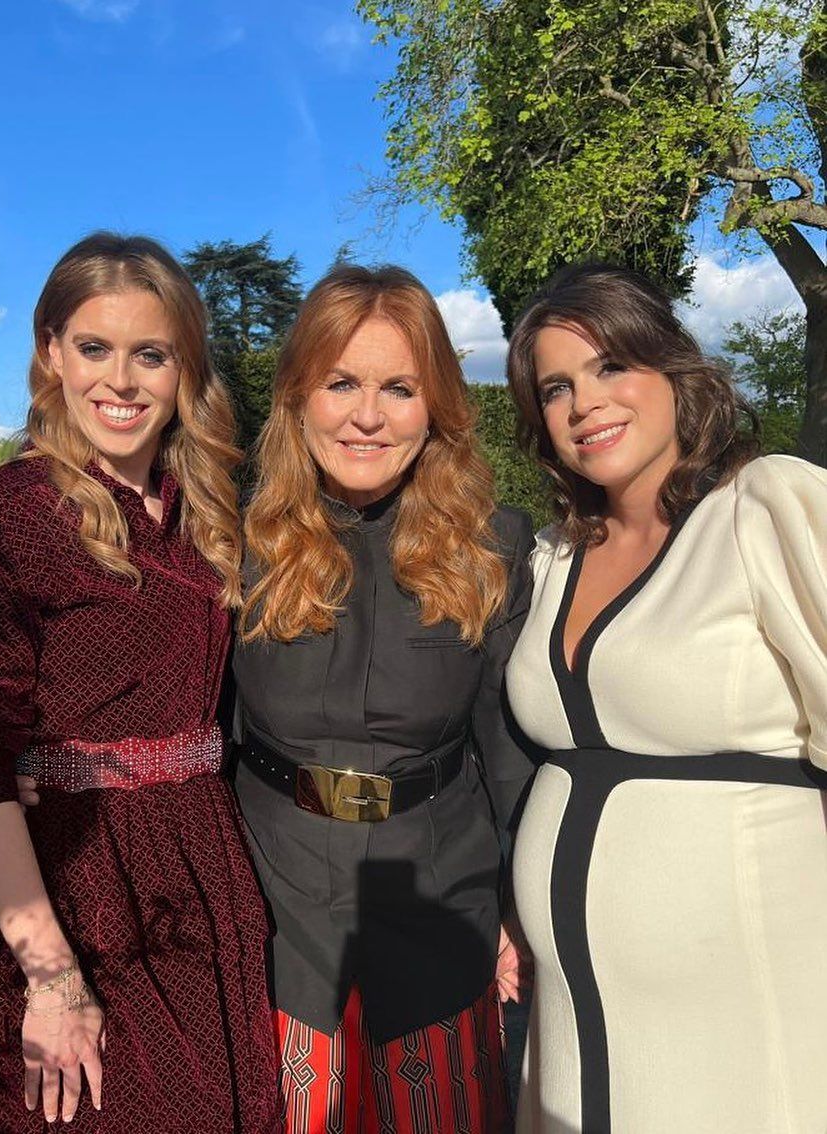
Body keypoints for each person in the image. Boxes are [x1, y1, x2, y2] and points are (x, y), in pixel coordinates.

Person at [0, 233, 280, 1133]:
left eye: (149, 354)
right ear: (51, 352)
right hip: (69, 883)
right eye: (94, 348)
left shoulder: (203, 516)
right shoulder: (4, 520)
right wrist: (51, 978)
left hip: (202, 871)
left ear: (182, 368)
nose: (120, 381)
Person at [504, 263, 827, 1134]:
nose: (585, 404)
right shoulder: (552, 555)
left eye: (611, 367)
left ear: (671, 370)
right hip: (574, 1020)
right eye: (556, 387)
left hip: (742, 1001)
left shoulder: (763, 508)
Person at [232, 263, 534, 1134]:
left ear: (434, 404)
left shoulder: (494, 547)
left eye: (398, 388)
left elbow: (509, 751)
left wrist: (521, 902)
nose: (368, 416)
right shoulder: (232, 542)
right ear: (297, 398)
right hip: (272, 890)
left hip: (439, 885)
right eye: (341, 384)